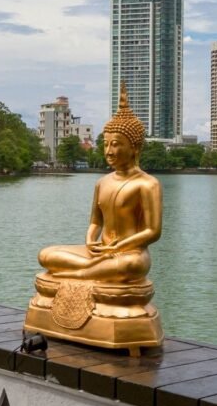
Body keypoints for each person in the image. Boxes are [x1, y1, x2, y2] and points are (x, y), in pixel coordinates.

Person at [37, 84, 162, 283]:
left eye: (116, 144)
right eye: (105, 144)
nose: (109, 151)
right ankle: (93, 270)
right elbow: (96, 222)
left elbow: (152, 231)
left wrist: (118, 247)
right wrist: (90, 241)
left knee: (131, 266)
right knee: (46, 254)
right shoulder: (102, 182)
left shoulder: (148, 184)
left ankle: (78, 274)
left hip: (130, 253)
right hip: (100, 251)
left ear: (135, 147)